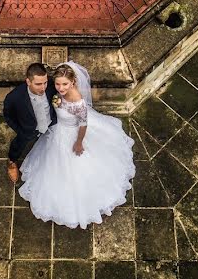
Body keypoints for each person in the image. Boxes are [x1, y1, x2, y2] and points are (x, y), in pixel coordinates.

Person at [18, 61, 136, 229]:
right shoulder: (57, 92)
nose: (60, 88)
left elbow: (83, 125)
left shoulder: (78, 102)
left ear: (73, 82)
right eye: (58, 84)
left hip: (74, 134)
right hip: (59, 131)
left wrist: (79, 142)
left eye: (65, 84)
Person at [2, 63, 58, 183]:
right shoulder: (14, 97)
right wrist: (20, 130)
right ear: (28, 81)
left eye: (45, 82)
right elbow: (8, 115)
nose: (43, 88)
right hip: (28, 130)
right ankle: (12, 162)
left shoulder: (51, 87)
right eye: (38, 84)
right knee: (19, 144)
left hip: (51, 124)